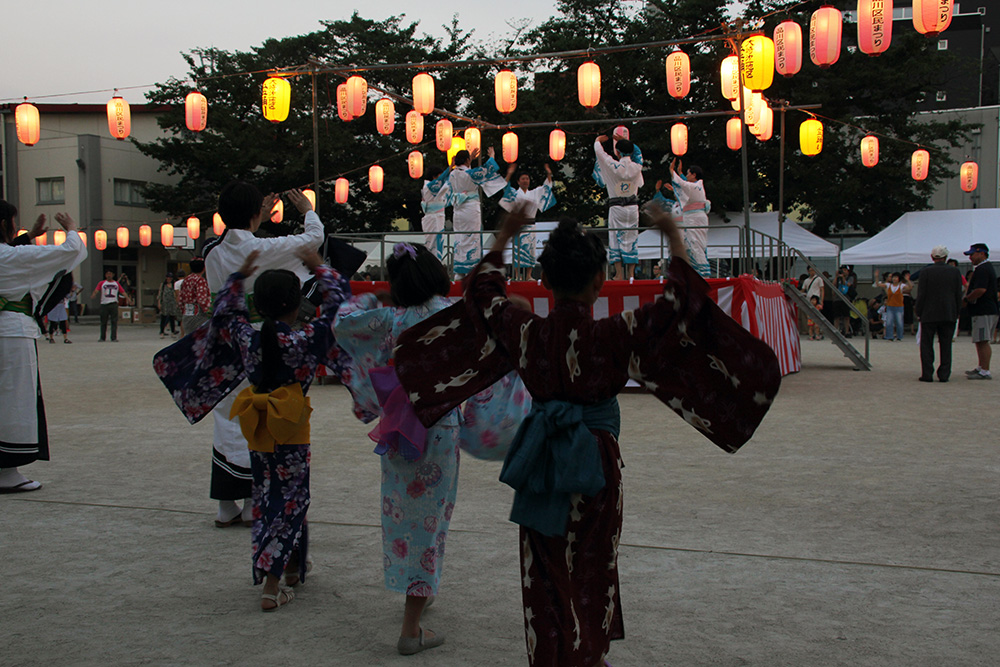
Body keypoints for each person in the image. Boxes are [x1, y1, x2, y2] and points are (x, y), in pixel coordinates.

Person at [390, 204, 781, 666]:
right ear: (599, 281)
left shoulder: (525, 332)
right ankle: (589, 656)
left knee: (544, 569)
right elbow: (681, 300)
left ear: (545, 283)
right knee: (592, 565)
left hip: (539, 460)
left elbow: (483, 291)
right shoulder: (614, 335)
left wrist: (505, 233)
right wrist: (674, 233)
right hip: (594, 461)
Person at [334, 242, 464, 655]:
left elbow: (342, 324)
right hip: (440, 429)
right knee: (432, 522)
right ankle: (411, 628)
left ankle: (417, 590)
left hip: (398, 428)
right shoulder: (452, 314)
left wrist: (374, 296)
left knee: (403, 519)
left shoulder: (389, 319)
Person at [213, 245, 349, 610]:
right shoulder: (304, 338)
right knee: (290, 500)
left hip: (259, 431)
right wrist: (320, 266)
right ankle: (272, 585)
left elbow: (227, 310)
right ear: (296, 305)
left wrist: (239, 277)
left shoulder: (249, 337)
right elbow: (339, 307)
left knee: (272, 498)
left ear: (260, 305)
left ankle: (293, 567)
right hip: (291, 430)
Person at [203, 183, 325, 527]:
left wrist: (257, 214)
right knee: (260, 417)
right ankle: (253, 499)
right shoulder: (264, 249)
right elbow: (313, 239)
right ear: (258, 214)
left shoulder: (213, 251)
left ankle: (226, 504)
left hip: (225, 337)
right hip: (259, 340)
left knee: (227, 416)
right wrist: (306, 210)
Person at [0, 203, 87, 492]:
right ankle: (7, 472)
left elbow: (15, 256)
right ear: (4, 225)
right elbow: (68, 253)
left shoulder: (11, 253)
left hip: (10, 330)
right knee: (14, 400)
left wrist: (28, 237)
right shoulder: (11, 257)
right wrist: (72, 229)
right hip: (11, 332)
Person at [448, 147, 506, 277]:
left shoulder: (452, 174)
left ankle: (459, 271)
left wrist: (471, 159)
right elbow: (486, 170)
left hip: (457, 210)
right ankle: (472, 269)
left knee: (460, 237)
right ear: (467, 160)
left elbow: (467, 171)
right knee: (472, 236)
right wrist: (491, 156)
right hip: (470, 208)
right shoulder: (470, 174)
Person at [594, 133, 643, 280]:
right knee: (632, 237)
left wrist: (597, 141)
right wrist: (625, 141)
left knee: (615, 237)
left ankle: (619, 273)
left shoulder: (612, 164)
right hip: (632, 207)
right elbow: (639, 153)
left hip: (616, 206)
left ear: (617, 152)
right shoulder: (637, 166)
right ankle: (631, 273)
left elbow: (600, 153)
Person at [499, 163, 556, 280]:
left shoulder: (534, 192)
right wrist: (509, 173)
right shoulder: (515, 193)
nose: (525, 181)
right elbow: (505, 187)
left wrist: (549, 174)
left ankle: (529, 275)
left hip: (531, 224)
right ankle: (516, 275)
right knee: (517, 250)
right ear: (519, 182)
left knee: (530, 250)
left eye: (527, 179)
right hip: (519, 225)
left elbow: (546, 187)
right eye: (523, 179)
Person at [915, 246, 963, 382]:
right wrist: (957, 311)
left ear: (932, 257)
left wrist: (918, 311)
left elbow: (921, 294)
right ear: (946, 257)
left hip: (929, 313)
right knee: (946, 344)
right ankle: (944, 374)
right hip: (948, 312)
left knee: (926, 344)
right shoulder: (955, 272)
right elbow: (957, 294)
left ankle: (927, 373)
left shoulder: (925, 272)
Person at [669, 158, 711, 277]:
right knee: (691, 245)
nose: (686, 176)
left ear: (694, 175)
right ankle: (696, 271)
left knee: (695, 244)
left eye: (688, 173)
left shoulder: (696, 187)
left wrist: (672, 171)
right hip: (693, 218)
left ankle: (704, 274)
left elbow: (683, 184)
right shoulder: (696, 186)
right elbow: (686, 185)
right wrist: (680, 173)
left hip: (695, 218)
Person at [961, 243, 998, 379]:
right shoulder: (984, 268)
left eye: (972, 254)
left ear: (982, 254)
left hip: (984, 310)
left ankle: (985, 371)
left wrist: (967, 298)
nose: (970, 257)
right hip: (985, 309)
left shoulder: (982, 269)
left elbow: (980, 290)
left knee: (983, 340)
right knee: (980, 340)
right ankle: (981, 367)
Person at [420, 168, 451, 262]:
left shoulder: (435, 188)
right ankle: (431, 265)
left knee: (438, 244)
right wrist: (449, 168)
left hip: (438, 218)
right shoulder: (429, 187)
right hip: (432, 218)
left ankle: (436, 264)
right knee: (431, 244)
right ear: (434, 177)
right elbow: (441, 180)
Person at [91, 270, 126, 342]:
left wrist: (128, 298)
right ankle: (102, 337)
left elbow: (122, 291)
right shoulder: (102, 283)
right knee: (103, 321)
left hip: (113, 303)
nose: (109, 275)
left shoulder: (116, 283)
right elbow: (97, 289)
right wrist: (94, 294)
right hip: (104, 304)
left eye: (110, 274)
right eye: (107, 274)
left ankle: (113, 337)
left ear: (113, 275)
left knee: (114, 321)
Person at [178, 257, 211, 333]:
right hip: (199, 315)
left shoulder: (186, 280)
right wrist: (209, 311)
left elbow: (181, 298)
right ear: (204, 268)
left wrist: (182, 310)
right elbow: (201, 300)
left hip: (187, 314)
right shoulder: (200, 280)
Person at [875, 271, 911, 341]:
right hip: (890, 306)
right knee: (889, 322)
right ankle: (889, 336)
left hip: (899, 306)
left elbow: (909, 287)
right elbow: (878, 284)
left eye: (896, 277)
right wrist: (876, 277)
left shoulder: (901, 286)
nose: (894, 279)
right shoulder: (888, 285)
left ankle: (899, 336)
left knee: (899, 322)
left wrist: (908, 280)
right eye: (893, 277)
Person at [801, 266, 824, 340]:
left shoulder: (819, 279)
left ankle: (817, 333)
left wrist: (821, 300)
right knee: (810, 319)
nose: (812, 272)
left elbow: (822, 289)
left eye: (813, 270)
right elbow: (803, 289)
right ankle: (811, 334)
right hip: (809, 300)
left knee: (817, 318)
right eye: (810, 270)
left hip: (816, 300)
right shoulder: (806, 280)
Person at [157, 273, 180, 338]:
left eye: (170, 278)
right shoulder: (163, 285)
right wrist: (159, 302)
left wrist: (176, 303)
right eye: (168, 277)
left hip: (172, 303)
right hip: (165, 303)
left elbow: (176, 294)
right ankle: (162, 332)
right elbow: (160, 294)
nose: (169, 279)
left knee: (172, 318)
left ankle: (173, 331)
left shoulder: (174, 285)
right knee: (163, 317)